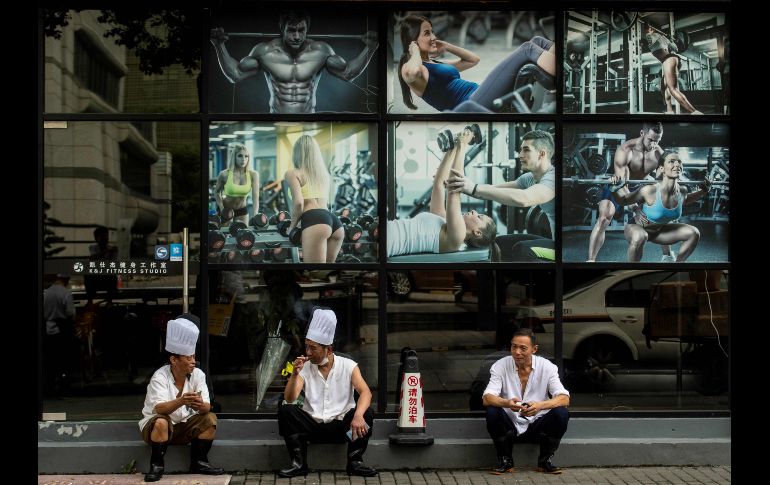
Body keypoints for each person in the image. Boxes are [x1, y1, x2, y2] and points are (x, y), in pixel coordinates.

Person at [210, 10, 379, 113]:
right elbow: (235, 74)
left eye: (301, 30)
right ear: (282, 28)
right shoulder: (265, 51)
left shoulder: (321, 51)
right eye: (291, 30)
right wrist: (219, 45)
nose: (297, 36)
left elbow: (348, 73)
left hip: (308, 119)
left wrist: (370, 48)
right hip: (276, 119)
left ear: (307, 29)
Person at [277, 308, 377, 477]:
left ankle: (355, 462)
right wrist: (294, 374)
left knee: (366, 412)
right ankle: (299, 463)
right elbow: (290, 398)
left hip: (342, 426)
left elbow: (366, 392)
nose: (307, 352)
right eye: (307, 346)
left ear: (328, 350)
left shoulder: (348, 365)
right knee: (286, 409)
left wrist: (358, 415)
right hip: (312, 425)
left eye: (313, 348)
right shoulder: (305, 367)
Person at [397, 15, 556, 113]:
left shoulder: (434, 64)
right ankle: (563, 73)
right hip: (472, 104)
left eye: (432, 31)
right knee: (527, 49)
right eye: (427, 33)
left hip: (479, 94)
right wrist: (414, 50)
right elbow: (414, 72)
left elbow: (473, 60)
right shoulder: (408, 68)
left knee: (537, 41)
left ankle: (565, 61)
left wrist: (447, 46)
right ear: (413, 40)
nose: (433, 36)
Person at [139, 314, 225, 482]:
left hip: (183, 426)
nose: (193, 361)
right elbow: (159, 409)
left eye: (193, 357)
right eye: (188, 358)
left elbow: (207, 407)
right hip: (157, 429)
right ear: (174, 360)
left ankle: (199, 462)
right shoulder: (160, 377)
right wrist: (182, 401)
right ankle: (156, 466)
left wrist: (200, 404)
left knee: (209, 418)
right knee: (161, 421)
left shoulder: (198, 375)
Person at [387, 127, 497, 258]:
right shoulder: (443, 221)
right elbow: (438, 184)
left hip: (388, 241)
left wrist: (463, 145)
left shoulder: (457, 237)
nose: (474, 212)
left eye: (479, 217)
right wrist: (452, 148)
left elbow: (453, 191)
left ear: (477, 232)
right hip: (387, 229)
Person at [447, 130, 555, 262]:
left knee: (523, 249)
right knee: (497, 243)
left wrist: (473, 188)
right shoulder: (529, 178)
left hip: (563, 248)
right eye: (520, 149)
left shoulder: (553, 178)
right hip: (552, 241)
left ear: (542, 154)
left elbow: (524, 199)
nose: (520, 155)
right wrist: (462, 186)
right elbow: (490, 191)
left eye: (526, 150)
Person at [483, 328, 570, 475]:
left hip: (538, 423)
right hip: (510, 422)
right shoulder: (500, 365)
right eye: (513, 346)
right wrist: (507, 403)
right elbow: (487, 398)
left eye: (523, 348)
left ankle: (545, 461)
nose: (517, 352)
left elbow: (564, 398)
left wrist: (540, 406)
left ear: (534, 349)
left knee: (561, 413)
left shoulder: (547, 367)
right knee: (492, 411)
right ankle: (505, 460)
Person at [586, 122, 674, 262]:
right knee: (604, 217)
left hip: (641, 186)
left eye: (657, 141)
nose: (653, 144)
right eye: (650, 140)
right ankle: (590, 261)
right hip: (619, 185)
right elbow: (622, 185)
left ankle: (668, 257)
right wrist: (635, 209)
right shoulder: (626, 150)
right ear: (642, 134)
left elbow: (665, 179)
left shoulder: (658, 153)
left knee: (661, 214)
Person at [609, 150, 711, 262]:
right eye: (671, 162)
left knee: (693, 233)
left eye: (679, 162)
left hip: (659, 232)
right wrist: (614, 189)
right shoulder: (650, 190)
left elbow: (686, 199)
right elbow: (623, 201)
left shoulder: (682, 191)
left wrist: (703, 191)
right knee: (640, 237)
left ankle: (678, 265)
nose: (677, 165)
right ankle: (631, 270)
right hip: (637, 228)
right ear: (661, 168)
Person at [285, 135, 344, 263]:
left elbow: (299, 203)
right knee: (325, 273)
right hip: (335, 223)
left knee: (315, 273)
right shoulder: (323, 175)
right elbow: (325, 205)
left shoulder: (293, 173)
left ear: (296, 153)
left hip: (315, 221)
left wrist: (292, 227)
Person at [643, 23, 702, 115]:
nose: (646, 31)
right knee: (663, 87)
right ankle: (669, 110)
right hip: (675, 59)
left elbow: (650, 38)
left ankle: (695, 112)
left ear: (651, 29)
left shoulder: (651, 36)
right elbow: (676, 48)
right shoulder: (663, 38)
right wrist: (671, 40)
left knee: (672, 89)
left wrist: (649, 33)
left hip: (668, 60)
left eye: (647, 29)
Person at [43, 273, 76, 394]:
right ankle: (64, 384)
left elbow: (44, 313)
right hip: (62, 330)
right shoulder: (65, 292)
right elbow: (70, 313)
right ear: (66, 279)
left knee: (51, 360)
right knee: (64, 359)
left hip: (49, 329)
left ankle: (50, 384)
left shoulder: (47, 292)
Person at [214, 143, 260, 225]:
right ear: (234, 157)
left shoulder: (253, 175)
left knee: (243, 235)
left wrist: (256, 213)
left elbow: (255, 197)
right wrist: (222, 208)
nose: (243, 159)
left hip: (242, 210)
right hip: (226, 210)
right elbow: (216, 192)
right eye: (240, 156)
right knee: (225, 236)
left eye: (246, 156)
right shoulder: (224, 174)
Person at [85, 225, 119, 303]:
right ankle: (90, 301)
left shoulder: (113, 250)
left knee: (112, 276)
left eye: (106, 236)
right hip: (97, 278)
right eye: (102, 236)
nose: (105, 238)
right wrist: (107, 252)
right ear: (96, 238)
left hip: (107, 278)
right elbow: (93, 259)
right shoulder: (93, 247)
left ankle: (109, 302)